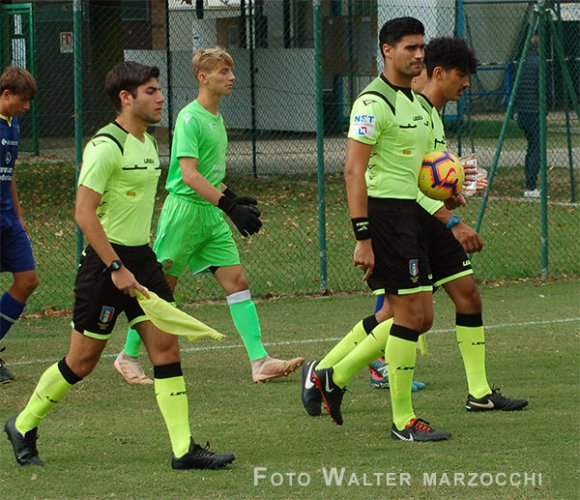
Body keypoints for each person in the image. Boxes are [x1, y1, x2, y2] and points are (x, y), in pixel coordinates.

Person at [4, 61, 234, 470]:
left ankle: (183, 450)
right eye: (150, 91)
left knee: (165, 346)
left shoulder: (147, 143)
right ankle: (23, 424)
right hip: (103, 264)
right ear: (126, 98)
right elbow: (84, 214)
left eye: (158, 90)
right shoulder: (105, 146)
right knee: (82, 362)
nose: (160, 97)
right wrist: (115, 267)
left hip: (141, 260)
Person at [302, 26, 528, 442]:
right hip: (387, 217)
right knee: (408, 316)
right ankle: (400, 419)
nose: (418, 55)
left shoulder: (418, 107)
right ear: (387, 51)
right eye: (410, 48)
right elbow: (353, 170)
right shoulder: (372, 102)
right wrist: (363, 235)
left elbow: (423, 172)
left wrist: (449, 191)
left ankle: (333, 376)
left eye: (422, 47)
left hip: (411, 213)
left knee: (420, 316)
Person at [113, 47, 303, 386]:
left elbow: (208, 175)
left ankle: (259, 361)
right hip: (183, 214)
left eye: (230, 72)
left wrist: (231, 200)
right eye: (223, 72)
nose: (232, 78)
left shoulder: (217, 119)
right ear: (203, 77)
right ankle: (127, 357)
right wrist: (228, 206)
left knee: (237, 282)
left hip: (209, 213)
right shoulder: (190, 118)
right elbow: (188, 174)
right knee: (161, 290)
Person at [0, 66, 39, 384]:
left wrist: (19, 215)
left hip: (8, 220)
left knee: (27, 280)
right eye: (22, 101)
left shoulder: (12, 125)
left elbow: (9, 174)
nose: (26, 108)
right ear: (6, 94)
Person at [515, 34, 540, 198]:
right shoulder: (539, 63)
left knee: (532, 147)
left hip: (522, 110)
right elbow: (543, 87)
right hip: (534, 110)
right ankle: (531, 186)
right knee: (536, 148)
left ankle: (531, 184)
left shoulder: (520, 64)